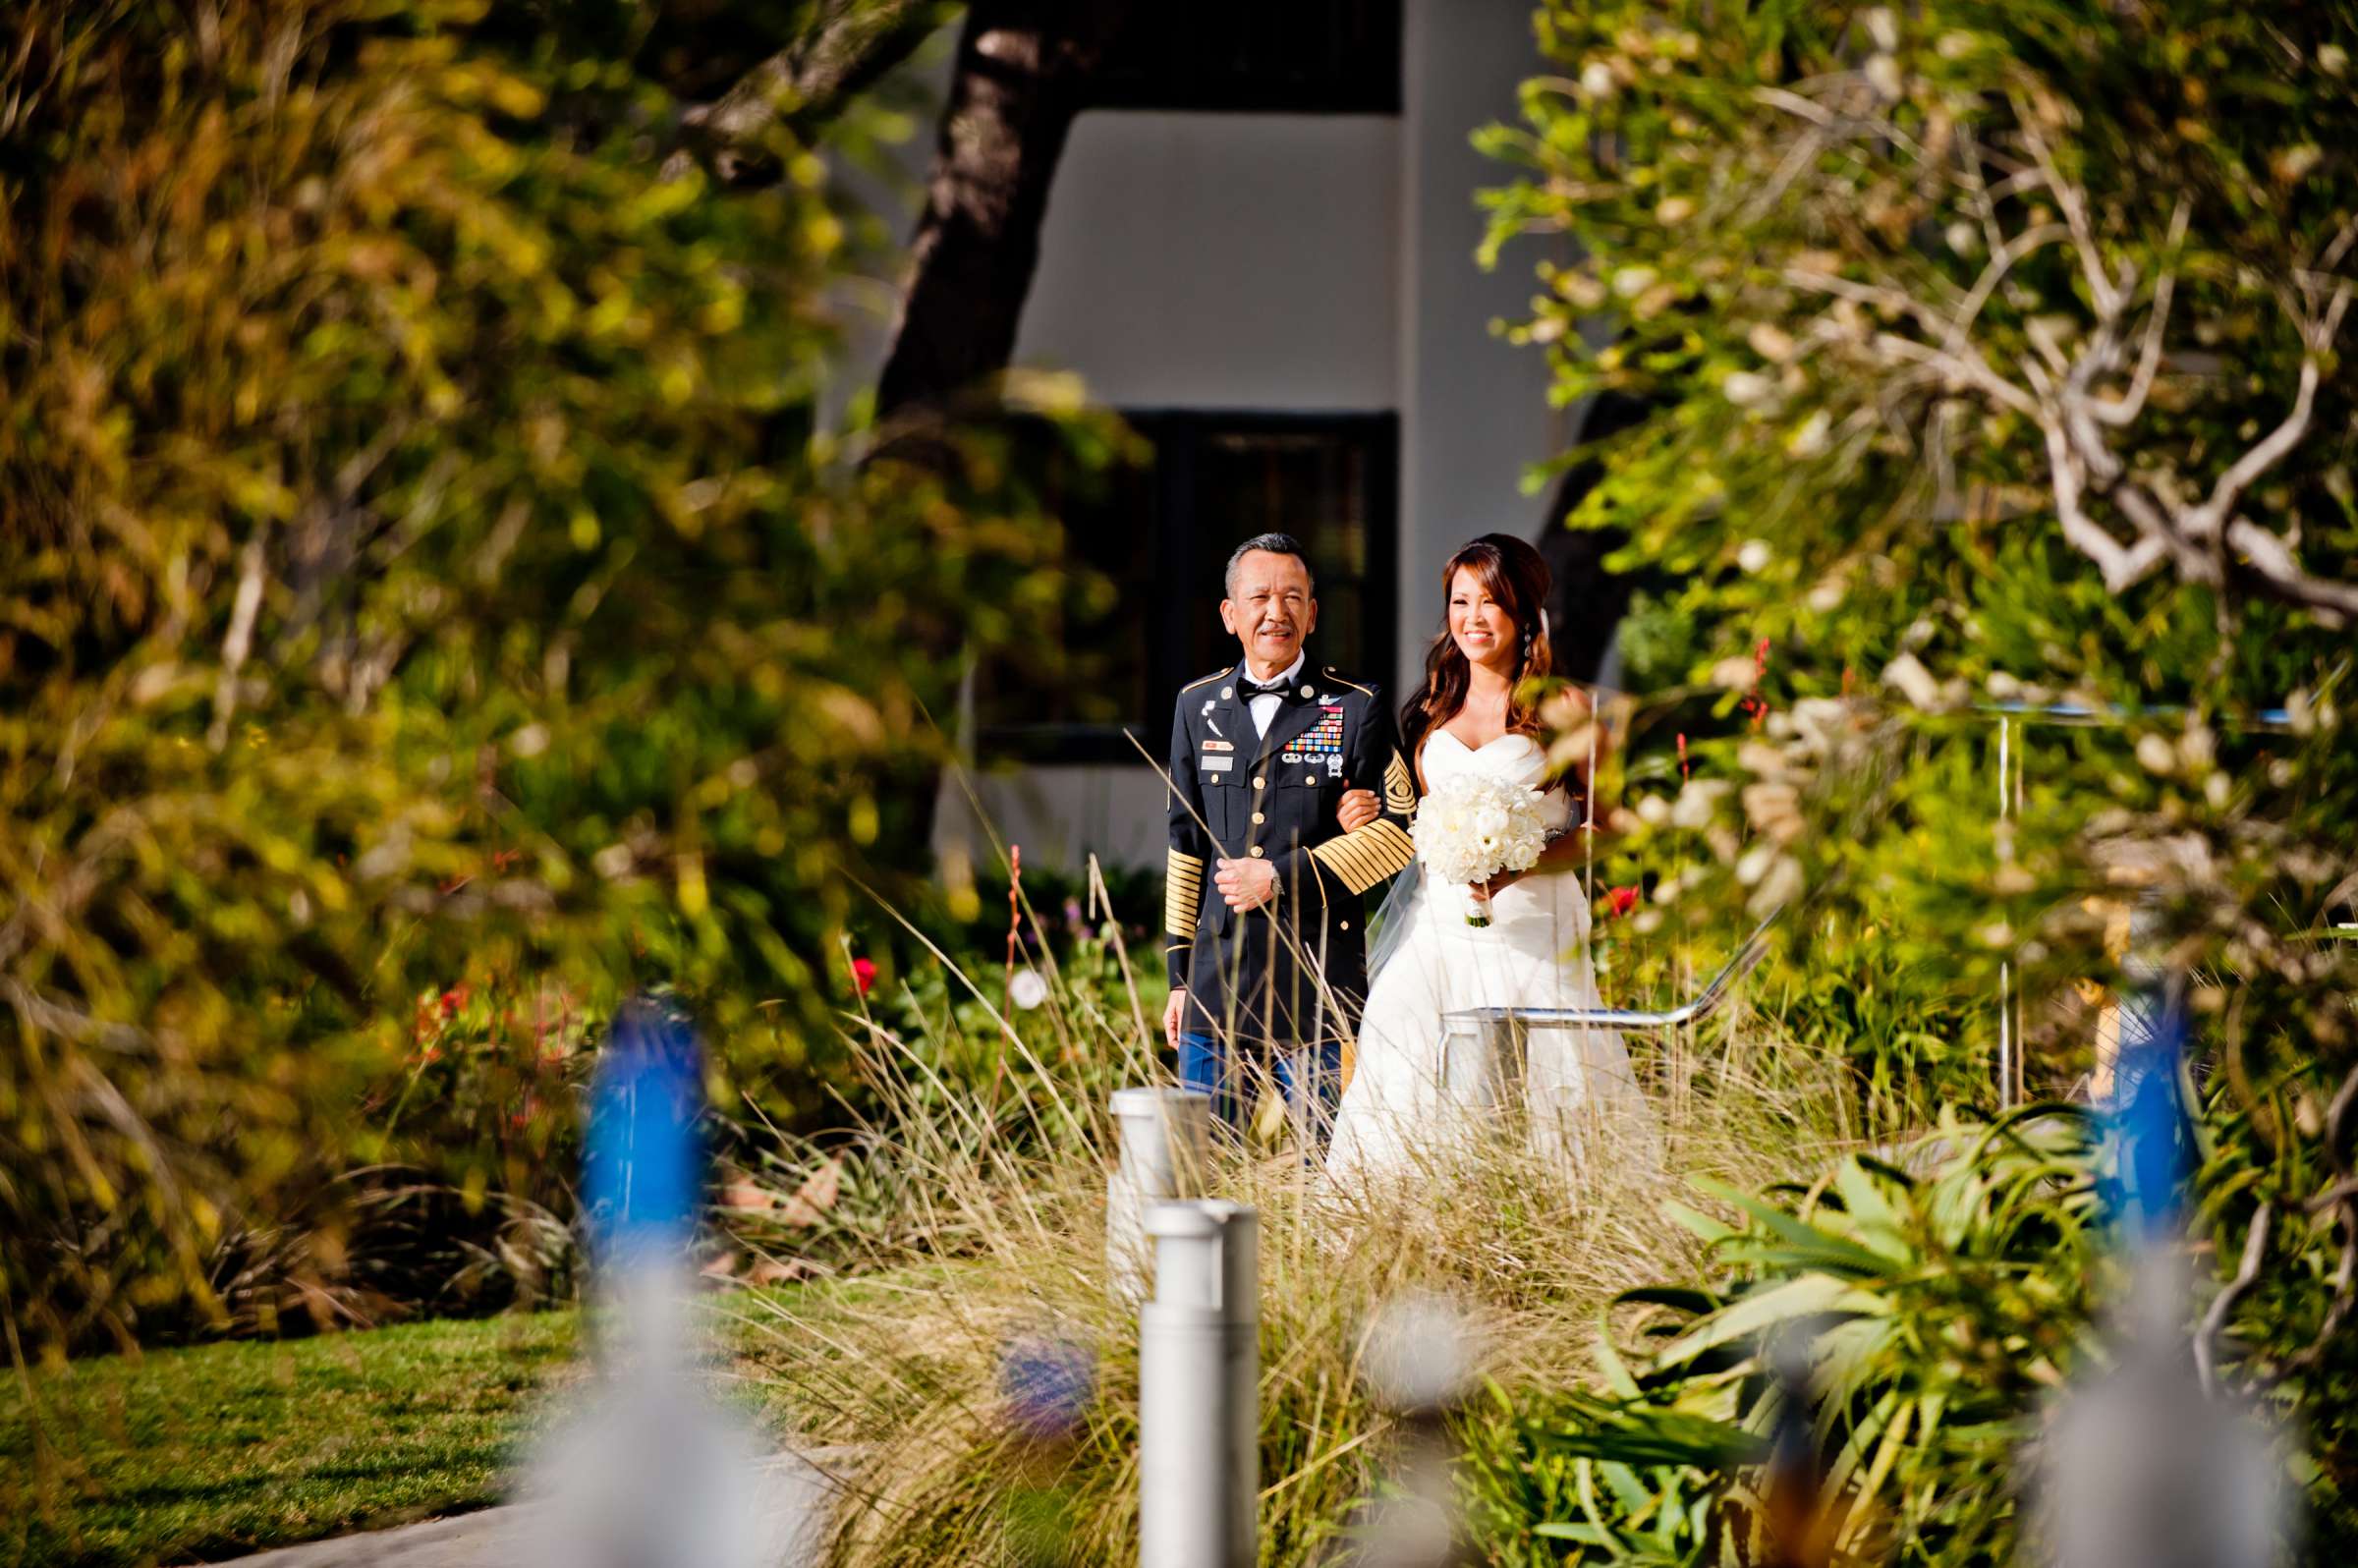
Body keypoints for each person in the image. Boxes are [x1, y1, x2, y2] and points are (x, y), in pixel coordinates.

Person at [1323, 533, 1655, 1183]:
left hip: (1533, 938)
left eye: (1491, 602)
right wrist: (1363, 814)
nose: (1472, 618)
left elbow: (1613, 830)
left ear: (1525, 613)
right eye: (1459, 601)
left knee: (1549, 1100)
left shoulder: (1566, 710)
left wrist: (1523, 862)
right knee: (1404, 1067)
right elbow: (1415, 822)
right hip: (1440, 937)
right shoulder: (1428, 709)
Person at [1161, 532, 1417, 1147]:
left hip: (1320, 985)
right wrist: (1177, 976)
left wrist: (1281, 875)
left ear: (1312, 612)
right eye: (1260, 597)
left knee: (1326, 1173)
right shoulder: (1197, 706)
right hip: (1216, 982)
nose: (1276, 612)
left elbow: (1403, 834)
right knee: (1201, 1167)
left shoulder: (1357, 706)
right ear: (1230, 614)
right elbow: (1183, 845)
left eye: (1292, 597)